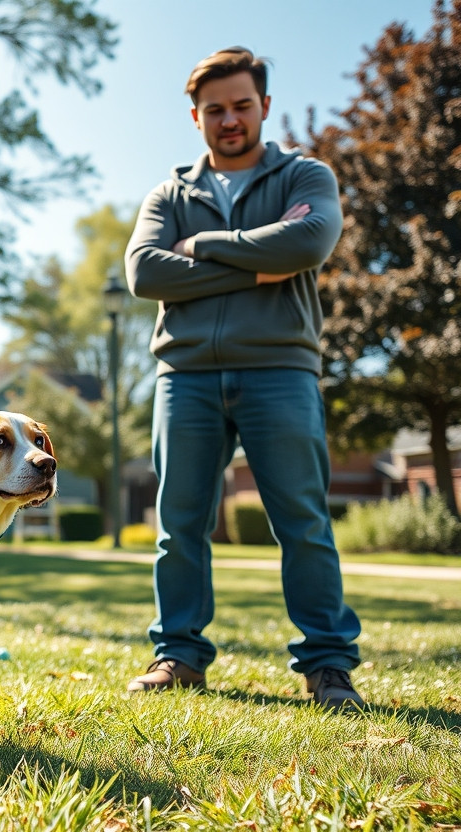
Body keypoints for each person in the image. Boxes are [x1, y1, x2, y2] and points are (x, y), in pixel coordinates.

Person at [122, 47, 364, 709]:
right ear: (196, 116)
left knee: (303, 521)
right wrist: (261, 258)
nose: (230, 120)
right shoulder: (170, 193)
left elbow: (309, 243)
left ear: (264, 107)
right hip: (186, 374)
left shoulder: (304, 176)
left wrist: (199, 248)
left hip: (279, 368)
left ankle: (328, 665)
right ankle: (179, 655)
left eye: (242, 106)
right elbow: (145, 272)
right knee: (180, 524)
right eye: (216, 110)